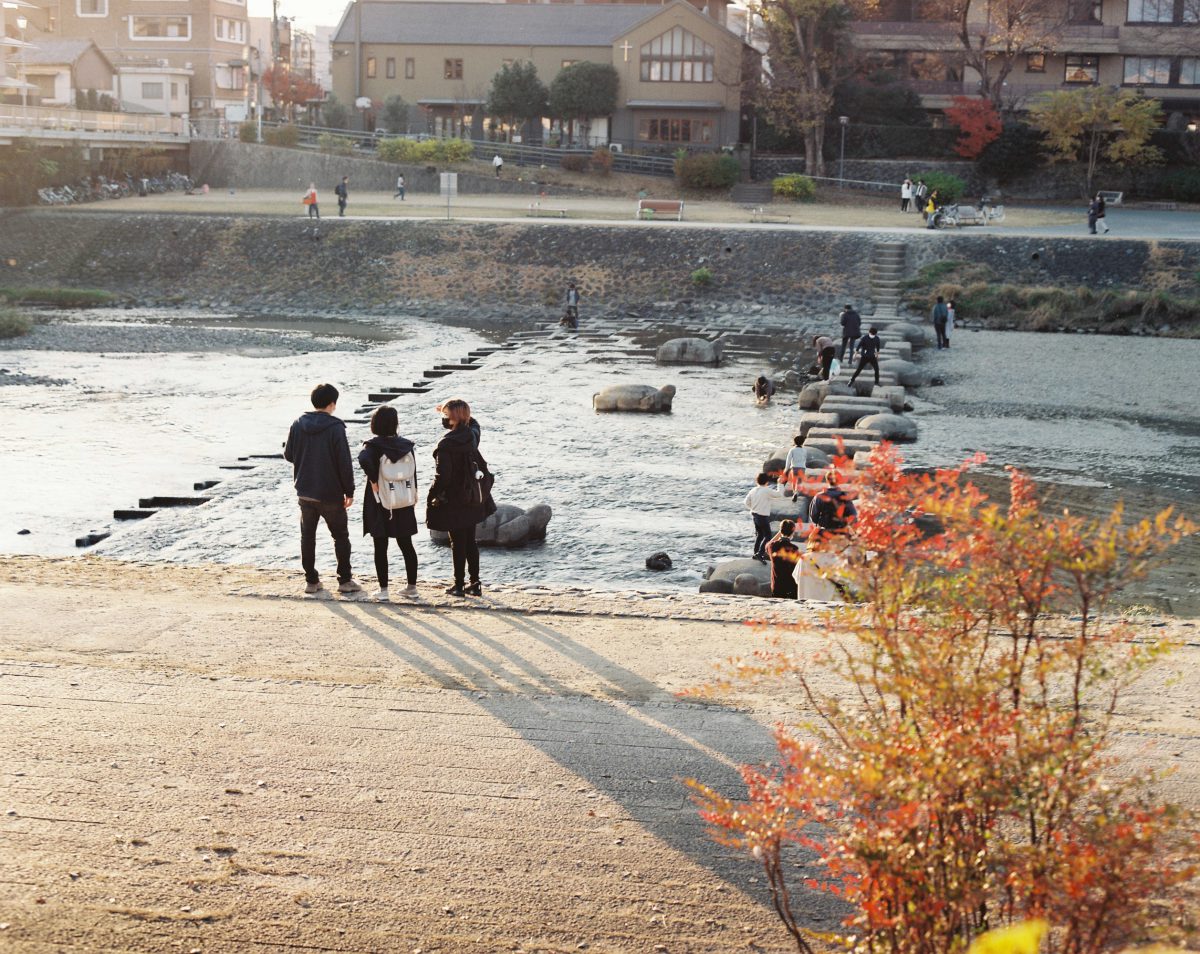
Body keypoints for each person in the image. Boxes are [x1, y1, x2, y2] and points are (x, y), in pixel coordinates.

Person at [283, 382, 360, 595]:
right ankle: (344, 581)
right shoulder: (335, 427)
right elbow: (344, 462)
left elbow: (288, 455)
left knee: (307, 536)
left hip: (305, 491)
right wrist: (350, 491)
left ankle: (311, 581)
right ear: (332, 404)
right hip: (330, 493)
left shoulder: (297, 423)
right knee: (340, 536)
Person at [426, 398, 493, 597]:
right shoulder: (472, 436)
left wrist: (432, 495)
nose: (444, 419)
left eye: (446, 416)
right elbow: (475, 424)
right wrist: (463, 414)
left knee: (457, 543)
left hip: (455, 500)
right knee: (470, 541)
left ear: (454, 419)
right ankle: (475, 582)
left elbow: (443, 476)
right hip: (472, 497)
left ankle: (458, 585)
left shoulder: (446, 444)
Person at [358, 405, 419, 602]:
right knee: (406, 545)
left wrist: (373, 480)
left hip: (380, 501)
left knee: (380, 546)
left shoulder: (372, 446)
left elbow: (363, 459)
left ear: (374, 424)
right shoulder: (406, 446)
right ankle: (412, 588)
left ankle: (384, 591)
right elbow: (412, 473)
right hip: (403, 499)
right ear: (395, 424)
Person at [744, 472, 791, 563]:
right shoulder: (766, 490)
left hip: (754, 515)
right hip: (762, 516)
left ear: (757, 481)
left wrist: (753, 508)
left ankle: (756, 553)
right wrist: (780, 483)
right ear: (767, 482)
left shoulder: (753, 490)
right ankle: (760, 554)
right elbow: (779, 495)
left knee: (759, 535)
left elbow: (746, 502)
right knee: (768, 535)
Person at [808, 470, 857, 537]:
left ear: (827, 480)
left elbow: (814, 516)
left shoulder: (819, 496)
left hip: (824, 532)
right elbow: (853, 515)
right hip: (841, 533)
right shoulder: (845, 497)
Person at [765, 519, 801, 599]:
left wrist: (780, 532)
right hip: (790, 587)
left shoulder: (772, 546)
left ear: (781, 530)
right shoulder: (794, 548)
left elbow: (767, 544)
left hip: (776, 586)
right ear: (793, 532)